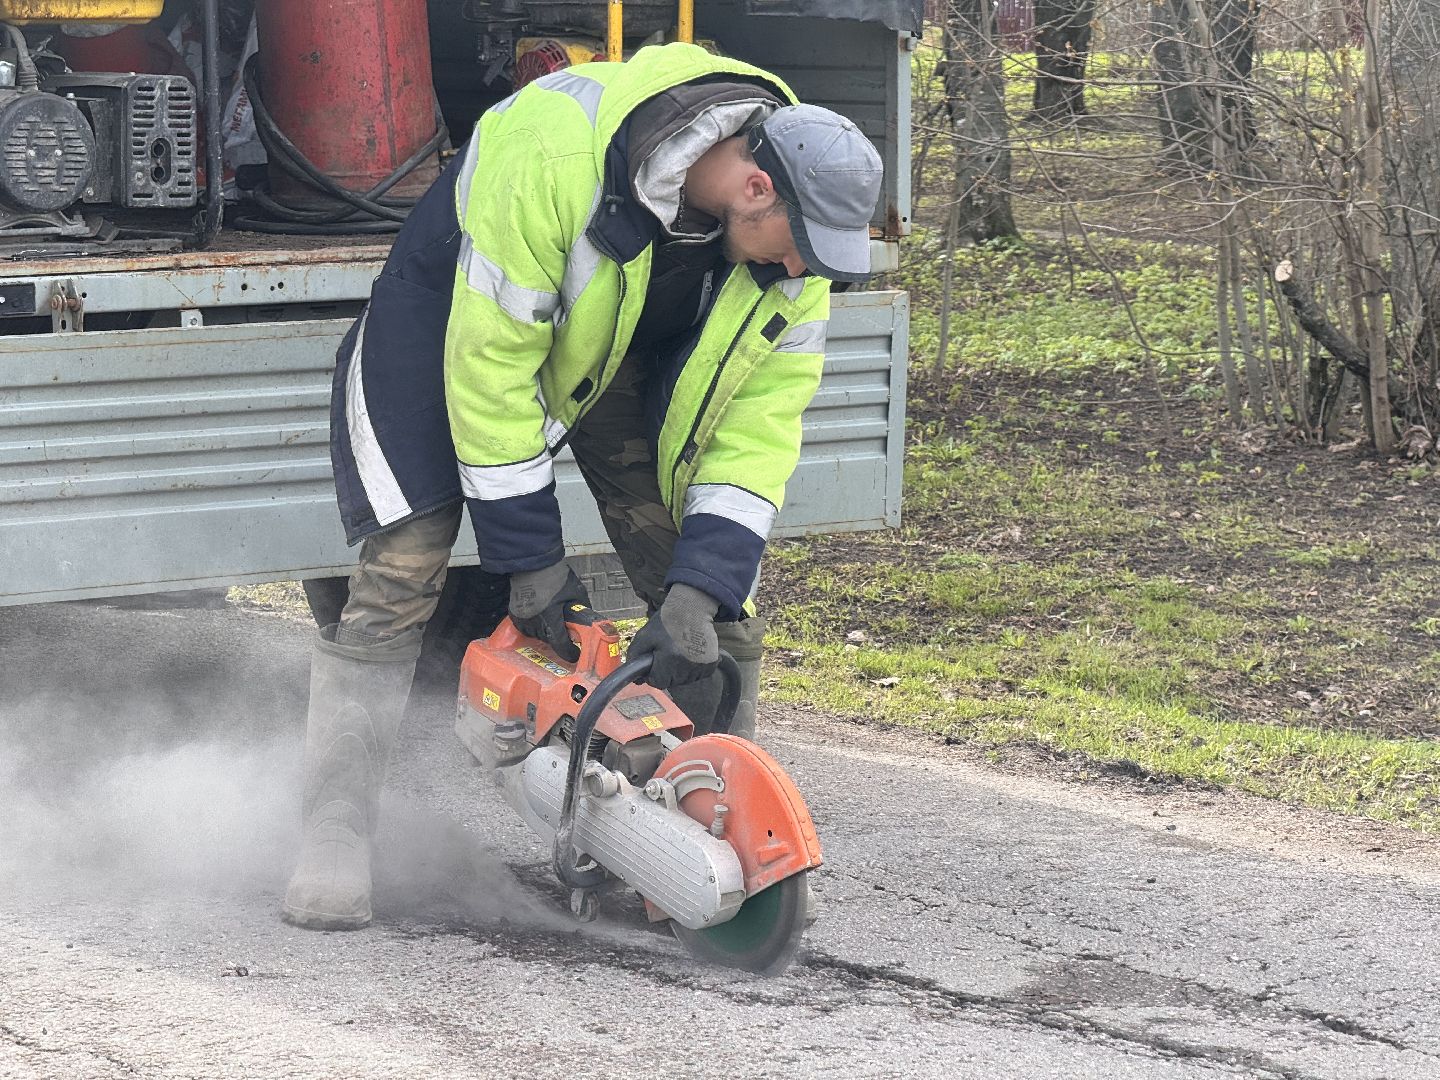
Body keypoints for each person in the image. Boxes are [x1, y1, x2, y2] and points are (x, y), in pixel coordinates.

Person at [283, 42, 883, 930]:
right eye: (798, 252)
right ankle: (334, 828)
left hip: (616, 338)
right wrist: (530, 563)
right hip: (455, 317)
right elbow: (491, 377)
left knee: (708, 606)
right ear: (756, 189)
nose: (801, 272)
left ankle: (705, 827)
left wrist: (701, 585)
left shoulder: (802, 227)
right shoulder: (554, 157)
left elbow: (758, 434)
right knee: (405, 564)